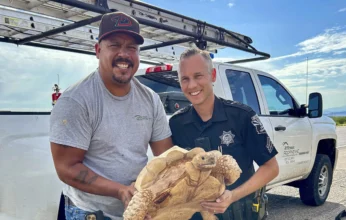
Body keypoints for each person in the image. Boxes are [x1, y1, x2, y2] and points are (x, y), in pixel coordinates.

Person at [49, 11, 173, 220]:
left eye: (131, 48)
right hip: (89, 213)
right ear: (98, 50)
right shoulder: (77, 99)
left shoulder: (150, 99)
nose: (124, 54)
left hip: (134, 211)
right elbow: (66, 168)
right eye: (114, 45)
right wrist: (120, 190)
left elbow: (167, 158)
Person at [169, 48, 279, 220]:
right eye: (185, 79)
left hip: (241, 214)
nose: (192, 85)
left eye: (198, 76)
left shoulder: (242, 116)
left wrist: (232, 195)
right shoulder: (177, 124)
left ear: (212, 75)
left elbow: (271, 168)